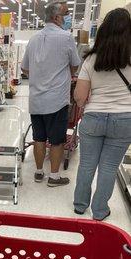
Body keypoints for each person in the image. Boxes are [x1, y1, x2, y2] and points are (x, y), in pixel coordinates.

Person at [74, 8, 131, 221]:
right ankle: (99, 211)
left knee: (87, 165)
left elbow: (80, 96)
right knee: (108, 168)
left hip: (94, 117)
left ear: (104, 31)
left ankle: (80, 205)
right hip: (125, 119)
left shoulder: (91, 59)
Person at [21, 1, 80, 187]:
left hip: (36, 99)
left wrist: (40, 76)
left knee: (38, 137)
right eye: (66, 13)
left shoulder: (34, 38)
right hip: (56, 101)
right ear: (56, 17)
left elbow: (25, 68)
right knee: (57, 141)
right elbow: (75, 65)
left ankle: (39, 173)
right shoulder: (66, 37)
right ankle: (54, 177)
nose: (68, 17)